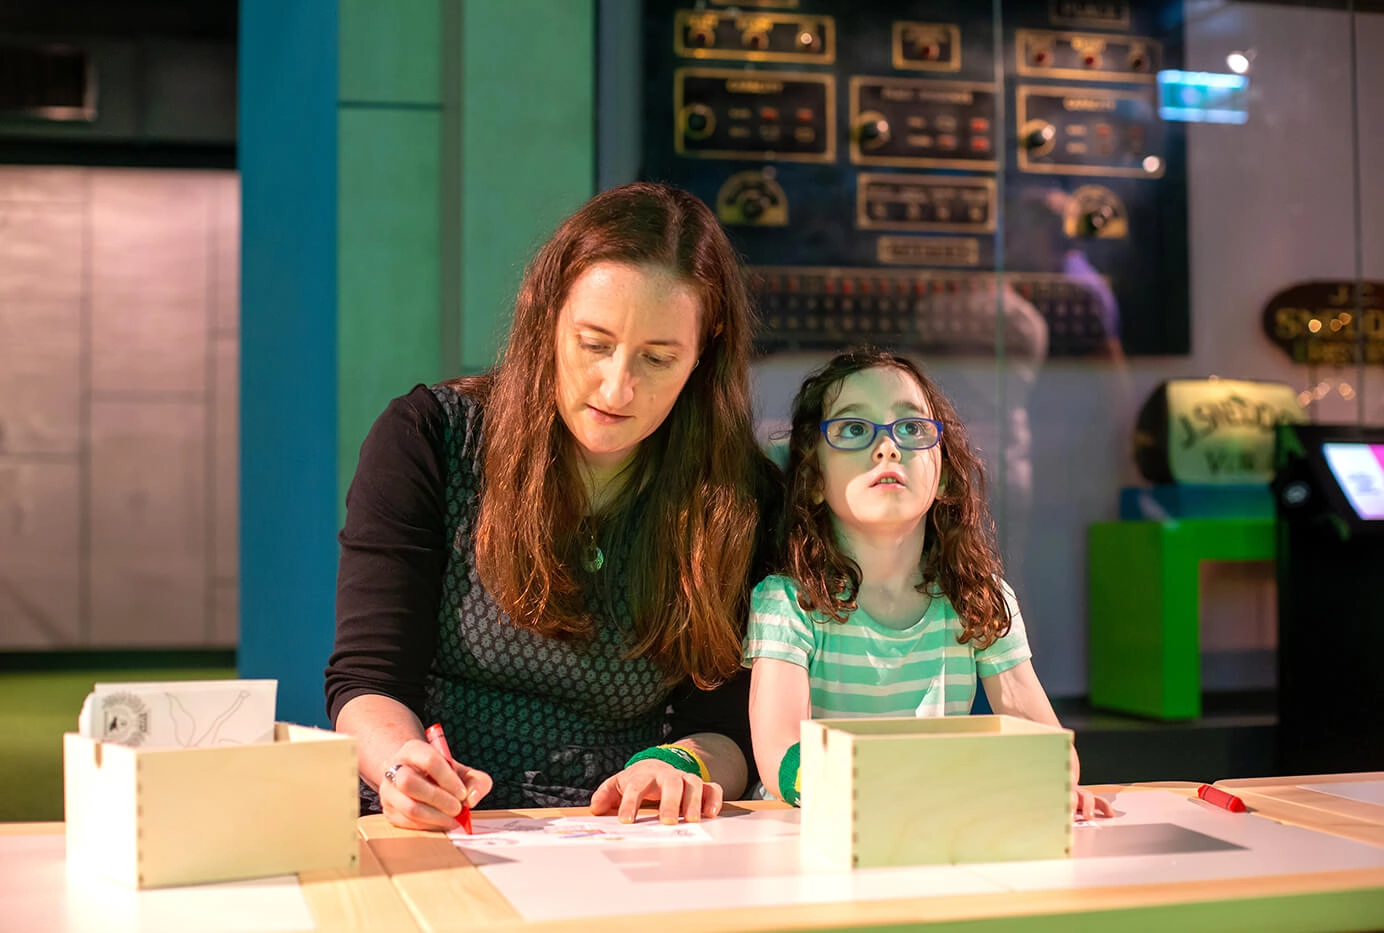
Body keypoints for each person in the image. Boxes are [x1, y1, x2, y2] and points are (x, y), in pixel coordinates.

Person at [326, 182, 780, 831]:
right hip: (435, 826)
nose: (617, 385)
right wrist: (403, 764)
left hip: (623, 835)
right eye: (594, 343)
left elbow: (727, 729)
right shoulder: (431, 440)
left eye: (658, 357)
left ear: (702, 356)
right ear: (547, 317)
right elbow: (366, 679)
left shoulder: (738, 498)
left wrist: (677, 766)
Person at [744, 348, 1112, 820]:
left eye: (912, 428)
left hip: (933, 827)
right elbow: (779, 754)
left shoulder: (981, 599)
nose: (888, 446)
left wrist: (1051, 779)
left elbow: (1046, 744)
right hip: (811, 836)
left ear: (943, 478)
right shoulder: (789, 602)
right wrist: (889, 790)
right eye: (854, 429)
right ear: (814, 478)